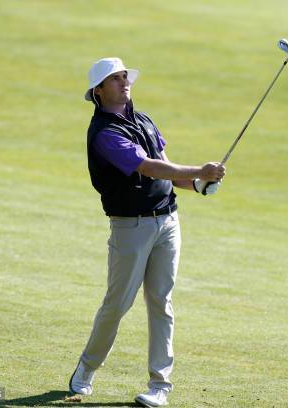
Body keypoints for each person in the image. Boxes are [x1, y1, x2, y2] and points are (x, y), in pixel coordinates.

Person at [68, 57, 225, 407]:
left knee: (161, 301)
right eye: (115, 79)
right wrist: (201, 168)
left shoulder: (144, 121)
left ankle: (160, 386)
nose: (124, 83)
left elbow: (167, 167)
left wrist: (198, 183)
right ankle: (87, 368)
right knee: (117, 304)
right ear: (99, 91)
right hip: (130, 227)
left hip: (168, 222)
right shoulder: (105, 134)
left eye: (125, 77)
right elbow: (148, 167)